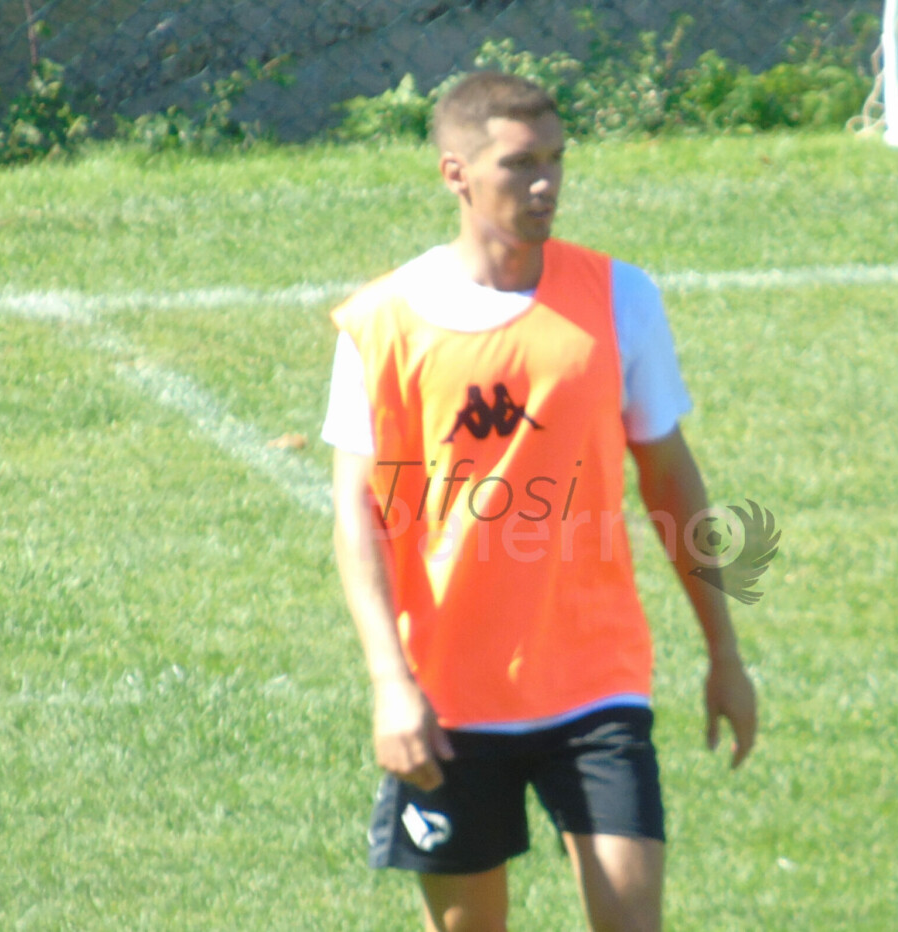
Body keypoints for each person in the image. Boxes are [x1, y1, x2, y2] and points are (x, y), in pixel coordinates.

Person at [323, 71, 757, 932]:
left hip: (596, 683)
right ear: (456, 174)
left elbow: (672, 483)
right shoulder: (382, 323)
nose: (545, 184)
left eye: (555, 160)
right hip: (449, 698)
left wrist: (725, 652)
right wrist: (390, 684)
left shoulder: (620, 299)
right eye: (520, 165)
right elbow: (357, 516)